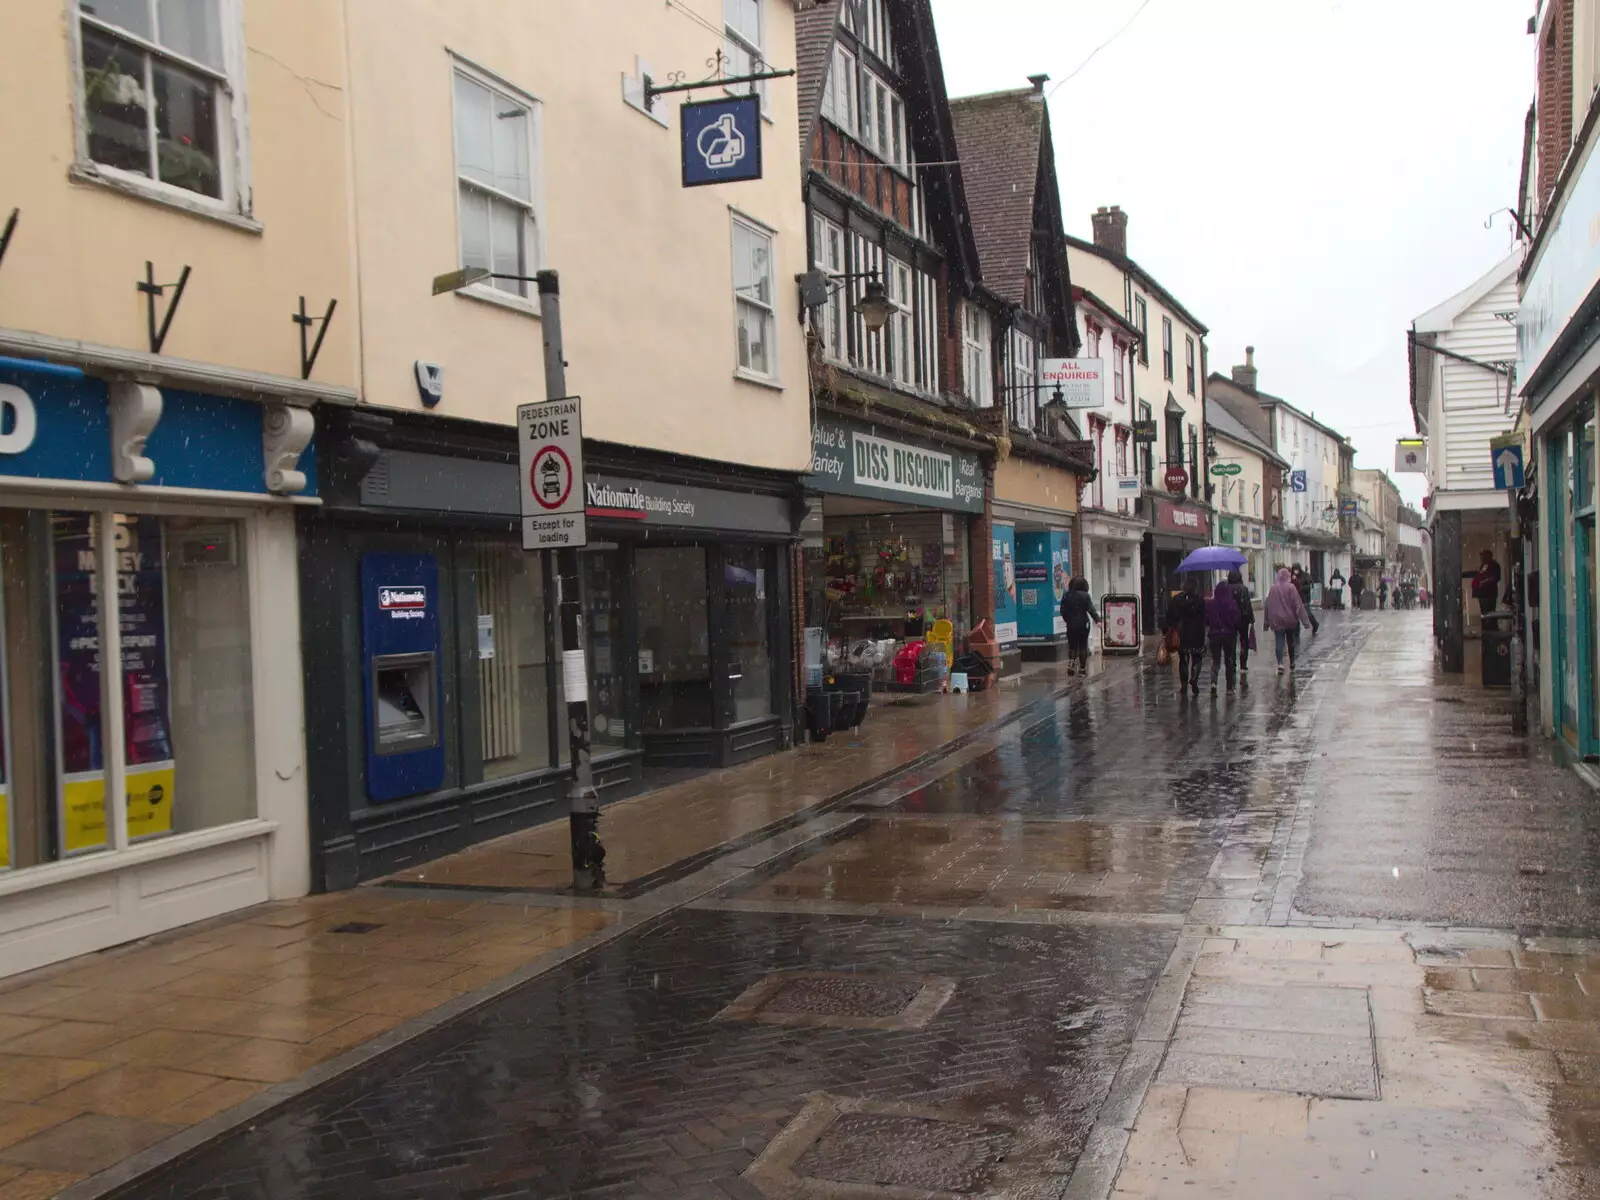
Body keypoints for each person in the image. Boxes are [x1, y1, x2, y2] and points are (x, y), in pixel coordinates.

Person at [1265, 567, 1314, 674]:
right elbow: (1298, 605)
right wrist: (1305, 622)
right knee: (1290, 641)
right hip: (1290, 619)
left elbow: (1268, 605)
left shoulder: (1273, 589)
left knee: (1279, 641)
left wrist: (1266, 623)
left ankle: (1280, 664)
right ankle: (1292, 662)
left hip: (1277, 620)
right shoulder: (1291, 588)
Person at [1164, 576, 1207, 696]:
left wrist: (1169, 629)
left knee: (1183, 659)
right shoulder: (1200, 600)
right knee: (1197, 657)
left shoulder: (1176, 600)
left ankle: (1183, 685)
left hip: (1181, 634)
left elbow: (1169, 617)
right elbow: (1204, 618)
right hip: (1197, 633)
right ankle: (1194, 678)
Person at [1205, 577, 1241, 695]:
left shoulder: (1210, 604)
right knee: (1229, 660)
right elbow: (1236, 619)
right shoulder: (1232, 603)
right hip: (1228, 635)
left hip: (1214, 635)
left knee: (1215, 661)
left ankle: (1213, 683)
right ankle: (1229, 688)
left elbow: (1206, 620)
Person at [1059, 576, 1099, 677]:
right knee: (1083, 646)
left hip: (1071, 624)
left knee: (1072, 646)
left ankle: (1071, 661)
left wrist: (1068, 620)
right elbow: (1091, 610)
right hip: (1083, 624)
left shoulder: (1066, 595)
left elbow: (1062, 610)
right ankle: (1081, 669)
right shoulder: (1085, 596)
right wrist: (1098, 620)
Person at [1227, 569, 1256, 681]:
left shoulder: (1226, 589)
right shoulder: (1244, 589)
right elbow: (1248, 605)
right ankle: (1243, 664)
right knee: (1244, 641)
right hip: (1243, 618)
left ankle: (1232, 664)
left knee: (1232, 642)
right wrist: (1251, 619)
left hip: (1230, 619)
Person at [1471, 549, 1502, 619]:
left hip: (1488, 593)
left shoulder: (1494, 565)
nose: (1481, 558)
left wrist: (1483, 582)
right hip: (1483, 593)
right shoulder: (1484, 565)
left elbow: (1495, 578)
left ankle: (1490, 626)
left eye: (1483, 556)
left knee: (1489, 612)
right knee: (1484, 612)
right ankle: (1486, 625)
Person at [1292, 565, 1321, 635]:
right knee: (1295, 614)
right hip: (1294, 598)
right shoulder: (1292, 576)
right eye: (1294, 569)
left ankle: (1315, 624)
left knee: (1307, 613)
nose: (1296, 571)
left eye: (1297, 569)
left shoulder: (1305, 575)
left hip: (1304, 597)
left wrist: (1301, 588)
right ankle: (1296, 631)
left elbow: (1310, 585)